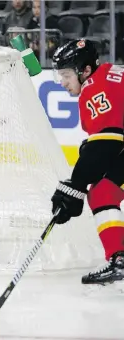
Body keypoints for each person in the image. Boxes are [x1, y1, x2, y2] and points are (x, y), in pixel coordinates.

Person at [51, 39, 124, 285]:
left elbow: (107, 143)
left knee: (100, 192)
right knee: (103, 194)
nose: (62, 82)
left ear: (85, 71)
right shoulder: (107, 78)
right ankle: (119, 258)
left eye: (66, 75)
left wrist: (77, 185)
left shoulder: (95, 87)